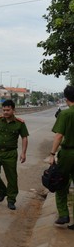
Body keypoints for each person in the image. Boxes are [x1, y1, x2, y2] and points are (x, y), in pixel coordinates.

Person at [0, 99, 29, 210]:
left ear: (13, 110)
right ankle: (2, 191)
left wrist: (23, 153)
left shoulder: (20, 123)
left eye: (8, 110)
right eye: (4, 110)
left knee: (11, 177)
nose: (5, 112)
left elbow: (24, 137)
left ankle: (11, 200)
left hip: (10, 153)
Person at [48, 85, 74, 227]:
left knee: (61, 182)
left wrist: (52, 154)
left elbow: (59, 136)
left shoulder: (65, 114)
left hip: (68, 153)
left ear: (66, 98)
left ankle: (63, 215)